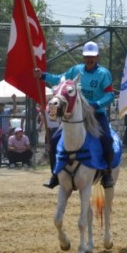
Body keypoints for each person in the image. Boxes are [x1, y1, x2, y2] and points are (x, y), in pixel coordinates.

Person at [35, 41, 115, 189]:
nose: (89, 59)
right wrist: (43, 76)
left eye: (92, 56)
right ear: (83, 57)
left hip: (96, 115)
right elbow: (59, 79)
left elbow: (110, 95)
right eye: (87, 56)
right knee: (54, 139)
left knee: (107, 139)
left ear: (97, 57)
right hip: (75, 115)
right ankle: (55, 175)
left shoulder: (103, 74)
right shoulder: (75, 70)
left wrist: (95, 104)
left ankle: (107, 173)